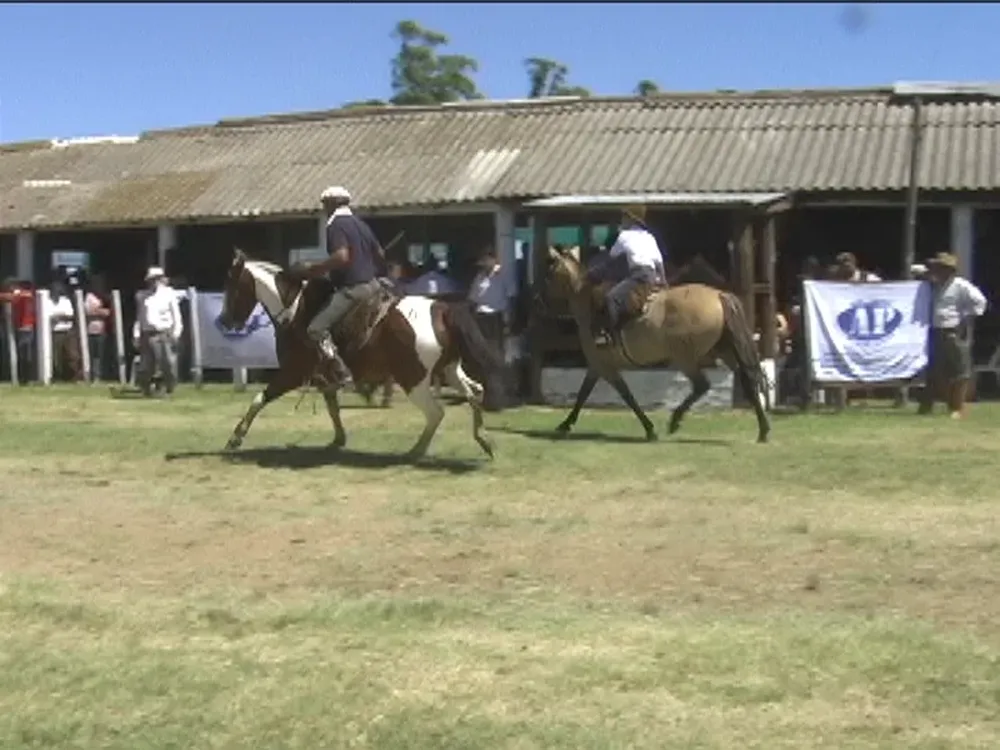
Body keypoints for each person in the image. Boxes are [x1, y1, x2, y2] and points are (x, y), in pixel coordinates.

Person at [286, 185, 385, 387]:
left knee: (315, 329)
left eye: (324, 205)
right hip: (375, 286)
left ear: (331, 204)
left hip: (353, 289)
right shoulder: (360, 224)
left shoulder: (335, 225)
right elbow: (380, 255)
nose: (323, 209)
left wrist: (315, 269)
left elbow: (341, 256)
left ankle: (341, 370)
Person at [918, 251, 988, 419]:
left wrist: (963, 317)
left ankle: (957, 407)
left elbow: (980, 302)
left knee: (960, 371)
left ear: (949, 270)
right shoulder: (933, 285)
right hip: (934, 331)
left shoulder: (961, 285)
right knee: (936, 371)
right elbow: (918, 270)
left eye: (939, 268)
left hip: (953, 330)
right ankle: (932, 405)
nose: (935, 271)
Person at [587, 203, 666, 347]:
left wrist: (594, 272)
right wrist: (664, 283)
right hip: (653, 276)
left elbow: (611, 258)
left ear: (630, 219)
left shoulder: (624, 236)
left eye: (624, 217)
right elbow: (659, 263)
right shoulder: (650, 237)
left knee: (611, 297)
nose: (622, 220)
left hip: (638, 276)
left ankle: (608, 336)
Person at [132, 266, 183, 397]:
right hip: (146, 333)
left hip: (163, 333)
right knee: (146, 365)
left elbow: (176, 316)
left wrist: (176, 333)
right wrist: (136, 334)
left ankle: (168, 387)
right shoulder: (142, 296)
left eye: (156, 279)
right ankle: (146, 389)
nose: (153, 282)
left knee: (166, 363)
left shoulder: (169, 294)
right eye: (151, 280)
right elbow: (140, 317)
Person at [48, 281, 81, 382]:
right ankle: (58, 377)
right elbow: (47, 317)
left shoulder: (65, 301)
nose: (56, 292)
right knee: (56, 357)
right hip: (54, 332)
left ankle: (73, 377)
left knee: (72, 355)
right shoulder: (46, 301)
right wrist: (59, 317)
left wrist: (58, 317)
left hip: (67, 331)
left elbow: (70, 316)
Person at [84, 274, 111, 382]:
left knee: (100, 355)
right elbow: (88, 312)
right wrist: (101, 312)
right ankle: (91, 375)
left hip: (102, 330)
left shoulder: (104, 297)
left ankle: (99, 376)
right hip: (91, 330)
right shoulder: (89, 296)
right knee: (92, 354)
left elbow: (110, 312)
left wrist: (100, 311)